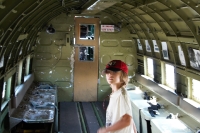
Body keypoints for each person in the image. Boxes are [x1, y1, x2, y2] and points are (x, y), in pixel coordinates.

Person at [97, 60, 137, 133]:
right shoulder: (115, 93)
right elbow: (129, 116)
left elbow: (127, 120)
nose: (110, 74)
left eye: (114, 72)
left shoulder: (121, 94)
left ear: (123, 75)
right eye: (108, 72)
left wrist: (106, 130)